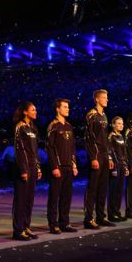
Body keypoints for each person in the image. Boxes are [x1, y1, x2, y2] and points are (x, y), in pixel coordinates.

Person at [46, 98, 78, 234]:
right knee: (54, 196)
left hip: (68, 167)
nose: (68, 109)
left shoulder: (69, 126)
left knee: (66, 196)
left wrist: (74, 165)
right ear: (58, 109)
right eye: (65, 107)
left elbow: (72, 148)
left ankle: (64, 222)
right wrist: (54, 166)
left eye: (68, 107)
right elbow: (50, 148)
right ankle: (53, 224)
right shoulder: (53, 126)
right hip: (58, 167)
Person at [83, 89, 114, 229]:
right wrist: (93, 157)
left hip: (104, 155)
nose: (107, 100)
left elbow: (105, 140)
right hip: (96, 156)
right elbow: (89, 138)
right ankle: (89, 219)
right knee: (93, 188)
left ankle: (101, 217)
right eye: (104, 97)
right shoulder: (92, 115)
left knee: (102, 188)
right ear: (97, 99)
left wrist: (108, 156)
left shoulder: (104, 116)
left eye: (107, 97)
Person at [11, 102, 42, 241]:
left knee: (29, 200)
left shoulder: (33, 128)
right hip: (23, 168)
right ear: (25, 112)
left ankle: (26, 226)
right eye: (33, 109)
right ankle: (18, 230)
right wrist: (23, 169)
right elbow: (20, 149)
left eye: (35, 109)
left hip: (33, 168)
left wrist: (38, 167)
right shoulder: (20, 127)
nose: (35, 111)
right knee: (21, 200)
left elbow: (34, 151)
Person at [107, 116, 129, 222]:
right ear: (113, 125)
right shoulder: (111, 136)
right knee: (113, 191)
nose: (121, 125)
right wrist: (114, 167)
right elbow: (109, 152)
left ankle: (117, 212)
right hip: (115, 166)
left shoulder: (121, 137)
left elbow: (123, 154)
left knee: (119, 191)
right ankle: (111, 214)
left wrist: (125, 167)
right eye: (118, 123)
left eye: (122, 124)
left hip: (121, 166)